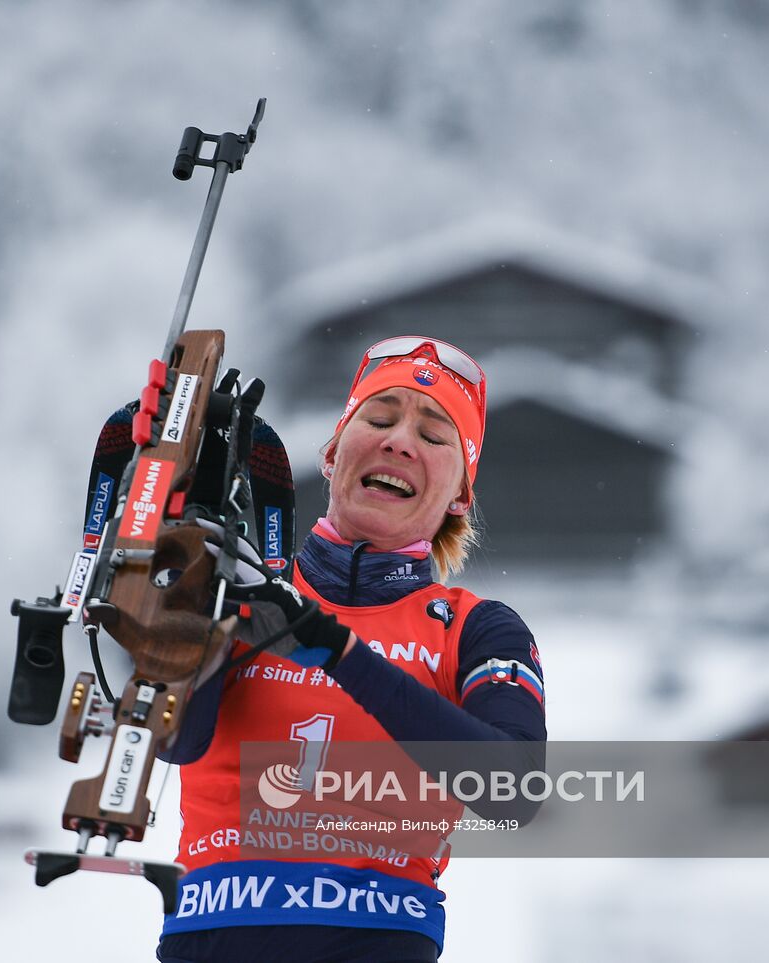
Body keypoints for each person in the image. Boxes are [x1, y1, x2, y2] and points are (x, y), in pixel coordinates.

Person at [155, 336, 548, 962]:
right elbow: (179, 740)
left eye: (435, 435)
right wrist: (191, 571)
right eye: (381, 417)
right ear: (335, 452)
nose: (399, 442)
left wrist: (336, 651)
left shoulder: (476, 629)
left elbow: (512, 792)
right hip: (211, 937)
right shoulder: (246, 589)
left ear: (460, 496)